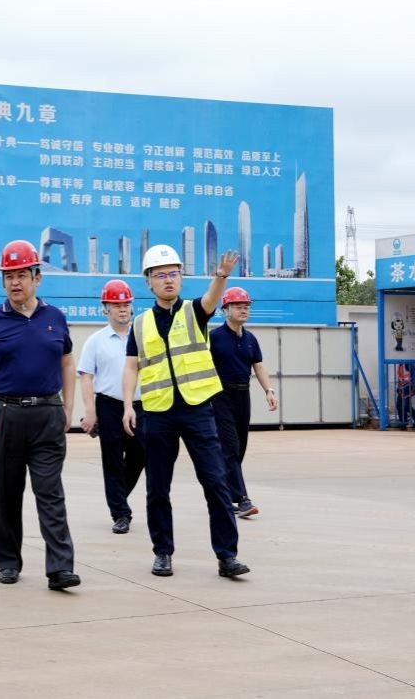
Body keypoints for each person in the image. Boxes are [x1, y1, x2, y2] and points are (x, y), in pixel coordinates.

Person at [121, 244, 250, 579]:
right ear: (148, 282)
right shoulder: (140, 324)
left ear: (181, 278)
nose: (168, 280)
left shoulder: (194, 311)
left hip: (197, 409)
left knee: (215, 482)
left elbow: (210, 299)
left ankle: (227, 556)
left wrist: (221, 277)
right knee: (157, 488)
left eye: (173, 274)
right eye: (160, 275)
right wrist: (127, 406)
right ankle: (162, 552)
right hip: (157, 412)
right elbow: (132, 366)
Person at [0, 240, 80, 591]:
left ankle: (60, 568)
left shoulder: (55, 318)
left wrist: (68, 408)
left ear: (37, 278)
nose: (15, 282)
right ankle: (8, 562)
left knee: (50, 492)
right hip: (4, 413)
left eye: (22, 275)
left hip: (47, 414)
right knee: (5, 494)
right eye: (9, 276)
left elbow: (67, 363)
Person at [77, 279, 146, 535]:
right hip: (108, 406)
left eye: (126, 304)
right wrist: (90, 411)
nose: (123, 309)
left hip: (140, 406)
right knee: (113, 459)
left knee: (140, 454)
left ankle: (118, 497)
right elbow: (86, 376)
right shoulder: (96, 341)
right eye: (116, 305)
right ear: (105, 308)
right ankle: (120, 513)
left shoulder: (142, 338)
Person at [208, 287, 278, 520]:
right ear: (225, 310)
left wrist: (268, 390)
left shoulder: (250, 339)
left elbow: (258, 365)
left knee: (239, 449)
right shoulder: (214, 337)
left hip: (242, 395)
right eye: (238, 306)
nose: (243, 310)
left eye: (246, 306)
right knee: (229, 447)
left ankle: (222, 493)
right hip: (220, 396)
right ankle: (243, 499)